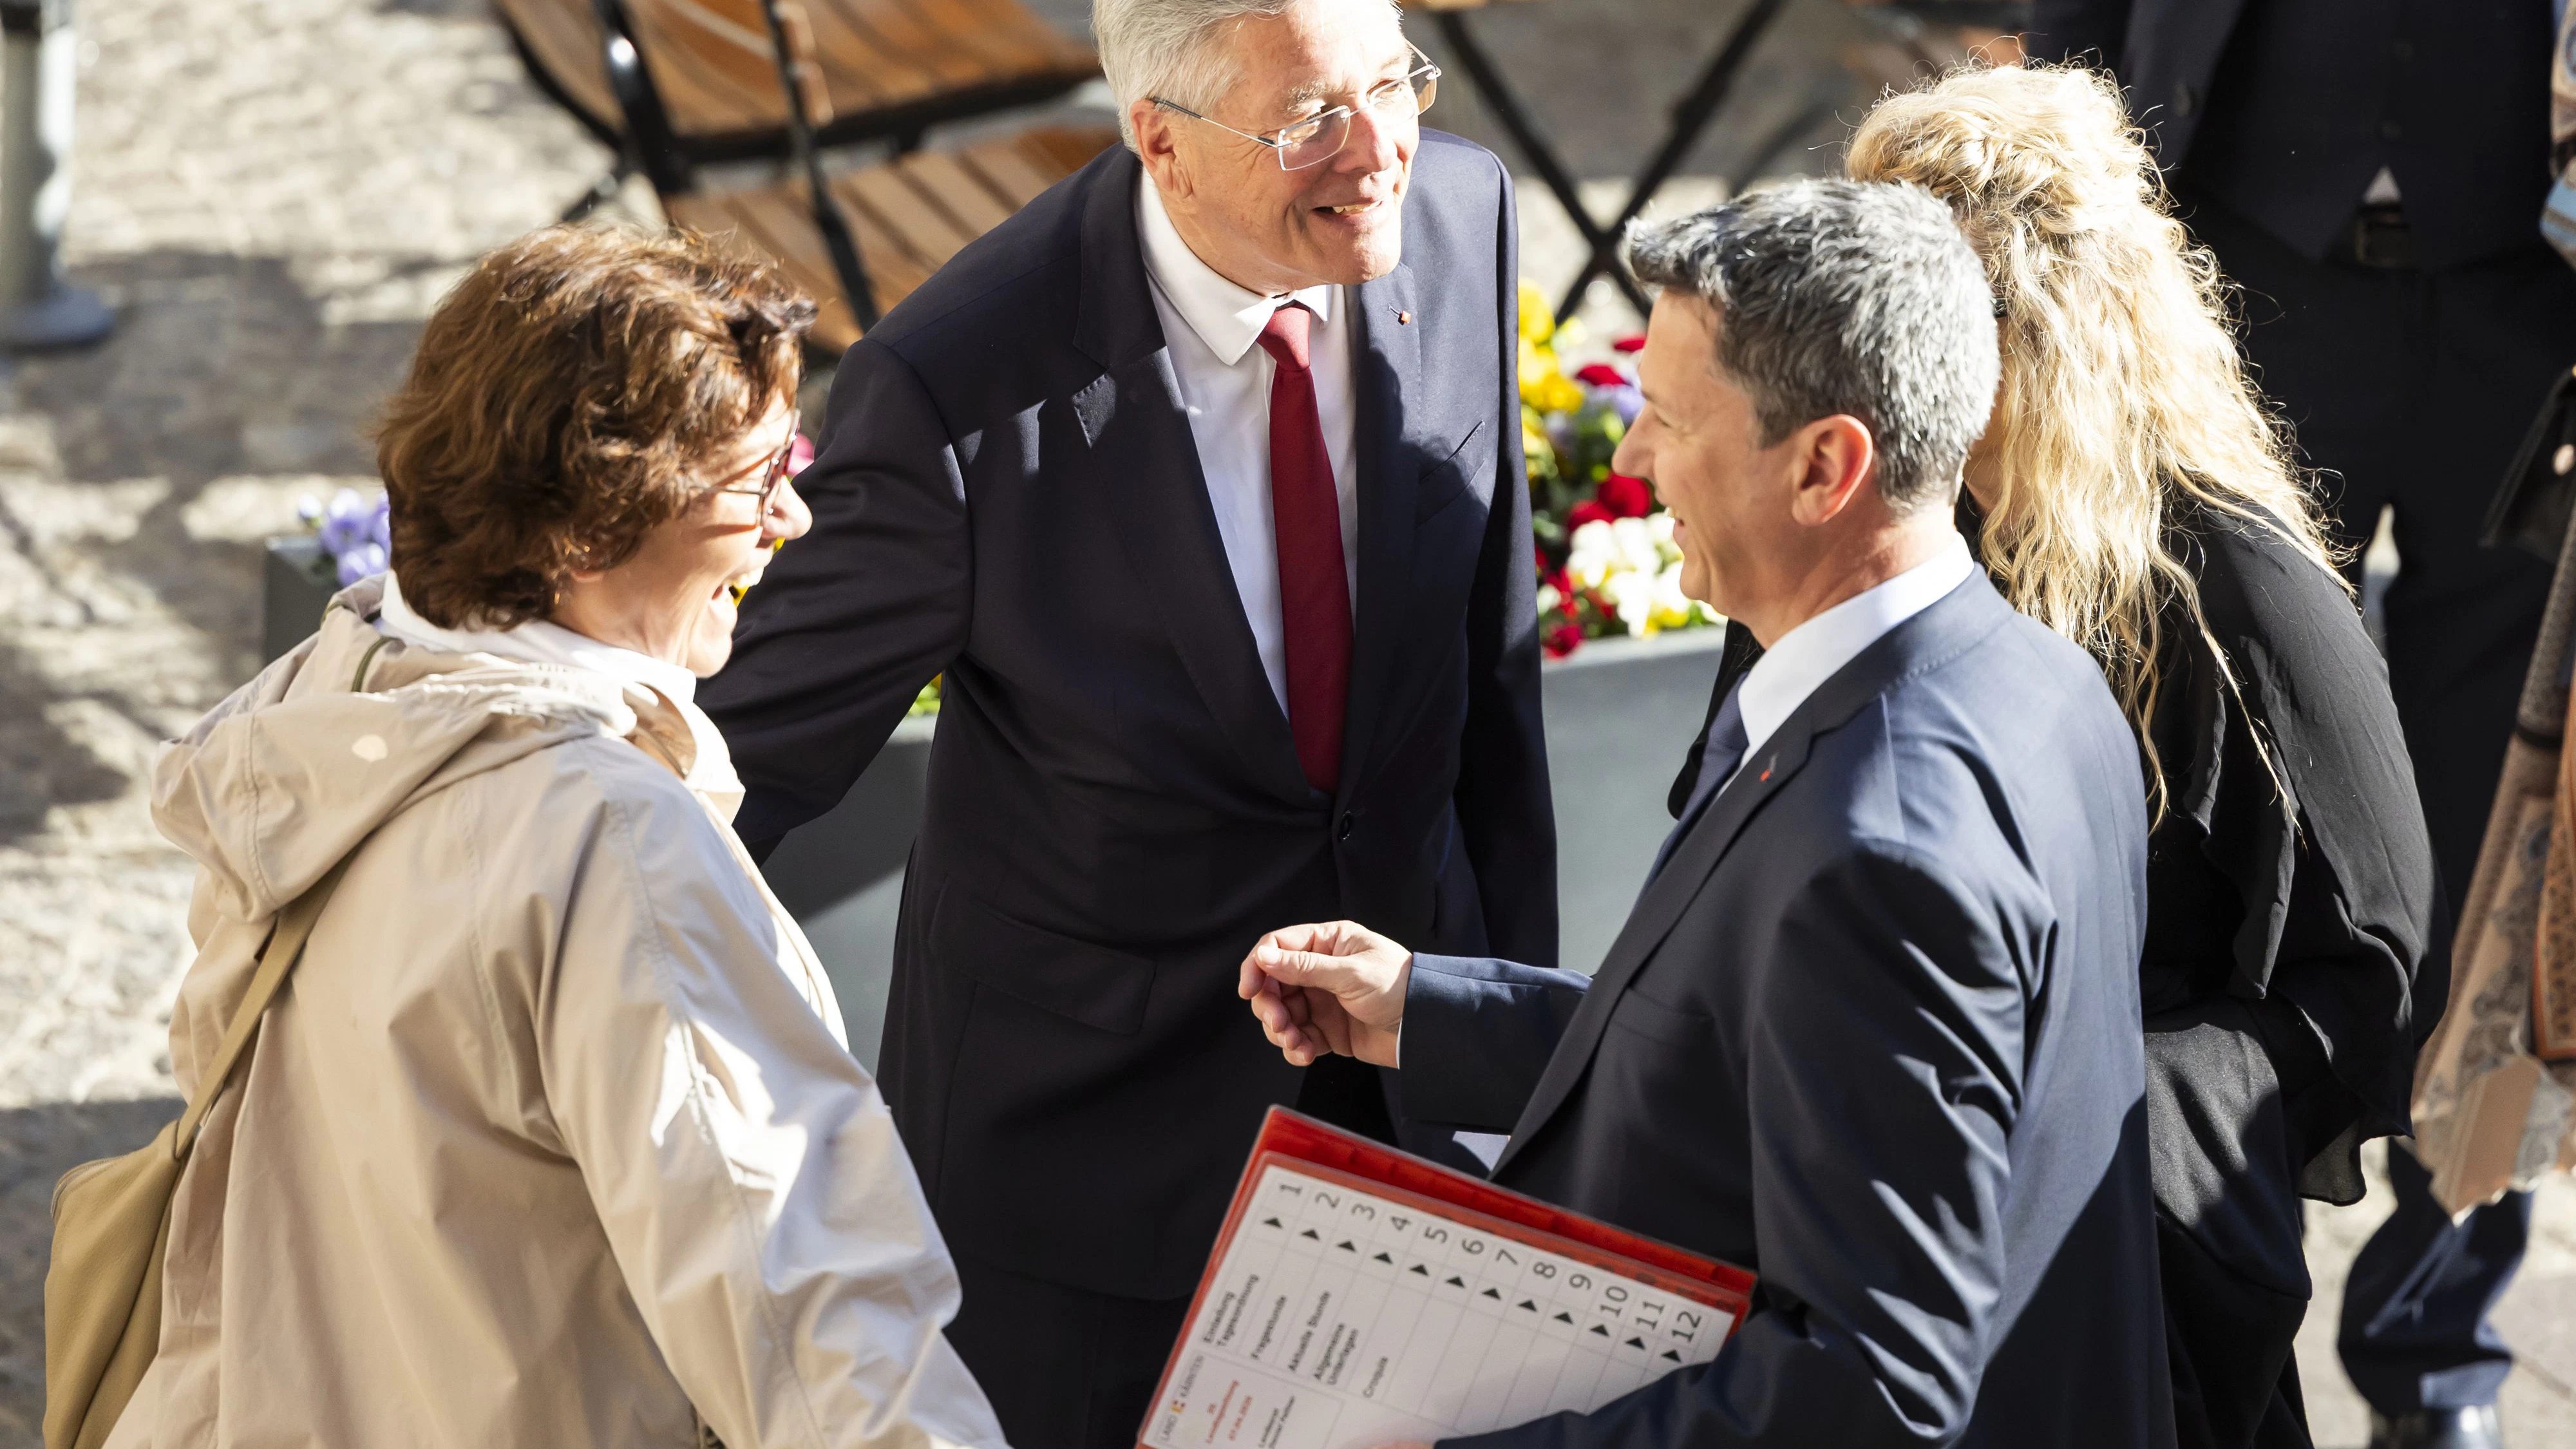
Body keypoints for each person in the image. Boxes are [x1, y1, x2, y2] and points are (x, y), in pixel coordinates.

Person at [695, 0, 1552, 1439]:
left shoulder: (1461, 214)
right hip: (1084, 1190)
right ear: (1160, 139)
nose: (1380, 148)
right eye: (1305, 121)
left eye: (1392, 82)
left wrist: (1516, 1057)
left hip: (1402, 1133)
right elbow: (727, 771)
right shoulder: (960, 380)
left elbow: (1491, 671)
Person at [1239, 180, 2172, 1448]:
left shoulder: (1877, 854)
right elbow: (1752, 1058)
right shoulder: (2037, 683)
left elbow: (1870, 1390)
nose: (1626, 457)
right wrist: (1423, 1010)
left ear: (1823, 467)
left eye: (1667, 419)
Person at [124, 227, 1003, 1449]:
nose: (791, 519)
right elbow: (798, 1305)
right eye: (755, 481)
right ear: (587, 534)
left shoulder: (328, 710)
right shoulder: (612, 850)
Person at [1844, 63, 2443, 1449]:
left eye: (1901, 319)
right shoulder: (1862, 523)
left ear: (2036, 324)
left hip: (2113, 1258)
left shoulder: (2235, 587)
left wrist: (2078, 1099)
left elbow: (2370, 960)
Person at [2024, 5, 2576, 1445]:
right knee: (2220, 819)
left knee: (2496, 855)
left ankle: (2435, 1346)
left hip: (2530, 310)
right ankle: (2176, 1277)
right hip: (2237, 284)